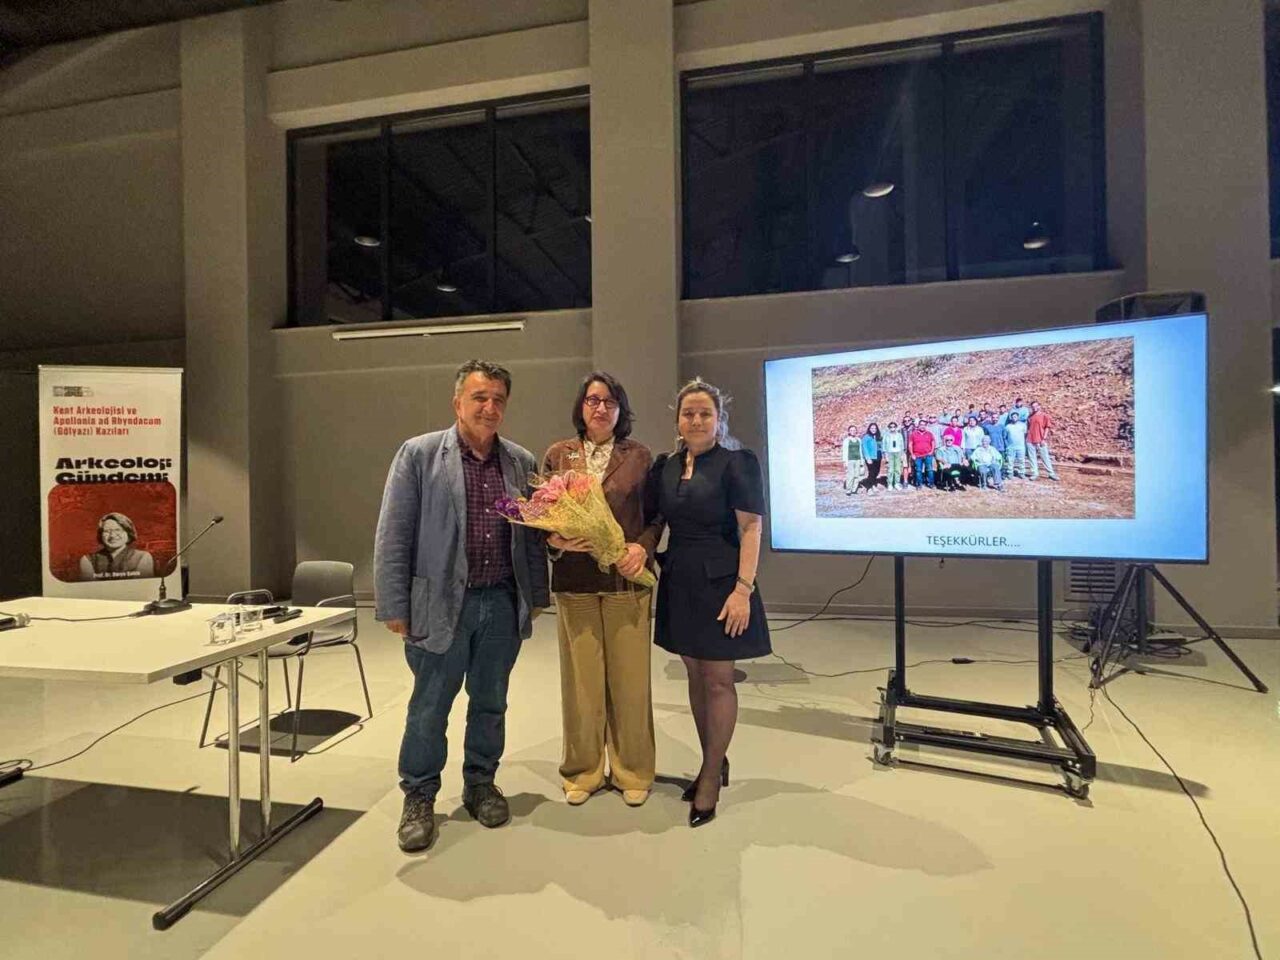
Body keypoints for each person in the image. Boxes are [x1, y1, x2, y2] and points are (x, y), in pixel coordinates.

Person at [375, 359, 550, 853]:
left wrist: (536, 596)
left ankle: (480, 783)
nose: (489, 407)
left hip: (501, 603)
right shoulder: (419, 454)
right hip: (440, 606)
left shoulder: (520, 461)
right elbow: (393, 533)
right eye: (479, 397)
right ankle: (419, 795)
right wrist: (394, 604)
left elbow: (532, 538)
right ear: (457, 403)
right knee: (430, 706)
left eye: (498, 400)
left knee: (491, 702)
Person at [646, 378, 770, 827]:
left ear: (719, 420)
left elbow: (751, 528)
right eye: (689, 413)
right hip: (680, 581)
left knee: (718, 681)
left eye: (705, 413)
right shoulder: (664, 466)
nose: (696, 420)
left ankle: (711, 778)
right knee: (695, 677)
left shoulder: (737, 463)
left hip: (722, 584)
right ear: (678, 420)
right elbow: (655, 521)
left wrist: (743, 590)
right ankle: (712, 760)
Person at [541, 373, 663, 807]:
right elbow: (543, 517)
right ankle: (583, 770)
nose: (600, 408)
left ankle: (633, 770)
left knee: (630, 683)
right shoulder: (558, 455)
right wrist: (554, 539)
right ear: (581, 406)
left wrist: (642, 548)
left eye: (610, 401)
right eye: (593, 400)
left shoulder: (639, 456)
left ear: (620, 409)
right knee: (582, 685)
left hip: (624, 582)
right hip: (574, 583)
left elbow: (656, 517)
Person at [79, 512, 155, 580]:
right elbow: (91, 588)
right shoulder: (88, 560)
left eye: (118, 530)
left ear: (128, 532)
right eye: (107, 531)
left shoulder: (142, 557)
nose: (112, 535)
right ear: (101, 535)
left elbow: (140, 587)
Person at [1026, 400, 1060, 481]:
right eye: (1032, 407)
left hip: (1040, 440)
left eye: (1035, 406)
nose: (1034, 408)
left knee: (1045, 457)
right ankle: (1034, 473)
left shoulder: (1044, 416)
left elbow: (1047, 427)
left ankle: (1051, 473)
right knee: (1032, 458)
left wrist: (1043, 438)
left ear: (1039, 406)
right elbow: (1028, 428)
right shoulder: (1030, 417)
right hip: (1030, 440)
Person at [908, 420, 936, 489]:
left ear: (926, 426)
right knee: (918, 470)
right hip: (917, 455)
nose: (922, 426)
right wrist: (912, 454)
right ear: (918, 425)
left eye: (924, 425)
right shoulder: (913, 434)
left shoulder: (929, 434)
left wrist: (932, 451)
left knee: (929, 470)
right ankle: (919, 484)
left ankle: (931, 483)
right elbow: (910, 444)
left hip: (928, 455)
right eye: (921, 425)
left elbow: (933, 443)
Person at [1003, 411, 1029, 479]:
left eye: (1015, 416)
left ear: (1018, 417)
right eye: (1013, 417)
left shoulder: (1023, 425)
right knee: (1010, 461)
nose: (1014, 418)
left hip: (1021, 446)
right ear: (1011, 418)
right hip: (1011, 447)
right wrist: (1007, 445)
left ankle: (1021, 473)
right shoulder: (1008, 426)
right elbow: (1005, 437)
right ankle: (1010, 473)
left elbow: (1025, 435)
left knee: (1021, 460)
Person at [882, 421, 906, 491]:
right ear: (889, 428)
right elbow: (883, 445)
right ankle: (890, 484)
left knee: (897, 469)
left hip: (898, 453)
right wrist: (885, 455)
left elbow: (902, 445)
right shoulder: (886, 435)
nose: (892, 428)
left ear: (896, 427)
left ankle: (896, 483)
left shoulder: (899, 435)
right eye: (891, 427)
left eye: (894, 427)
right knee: (890, 470)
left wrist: (902, 454)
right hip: (889, 453)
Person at [861, 423, 883, 492]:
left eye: (875, 428)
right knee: (872, 472)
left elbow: (880, 446)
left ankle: (873, 485)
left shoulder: (878, 436)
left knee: (876, 472)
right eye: (872, 428)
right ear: (869, 429)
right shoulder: (866, 437)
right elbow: (864, 448)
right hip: (870, 458)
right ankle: (869, 488)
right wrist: (868, 458)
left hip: (878, 457)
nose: (873, 430)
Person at [841, 425, 861, 494]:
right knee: (850, 475)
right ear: (849, 431)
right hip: (850, 460)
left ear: (856, 431)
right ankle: (848, 489)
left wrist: (862, 461)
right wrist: (844, 461)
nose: (853, 431)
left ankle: (854, 489)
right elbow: (844, 451)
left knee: (857, 475)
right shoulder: (846, 440)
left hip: (858, 459)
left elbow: (860, 451)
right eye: (851, 430)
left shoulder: (859, 440)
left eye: (854, 430)